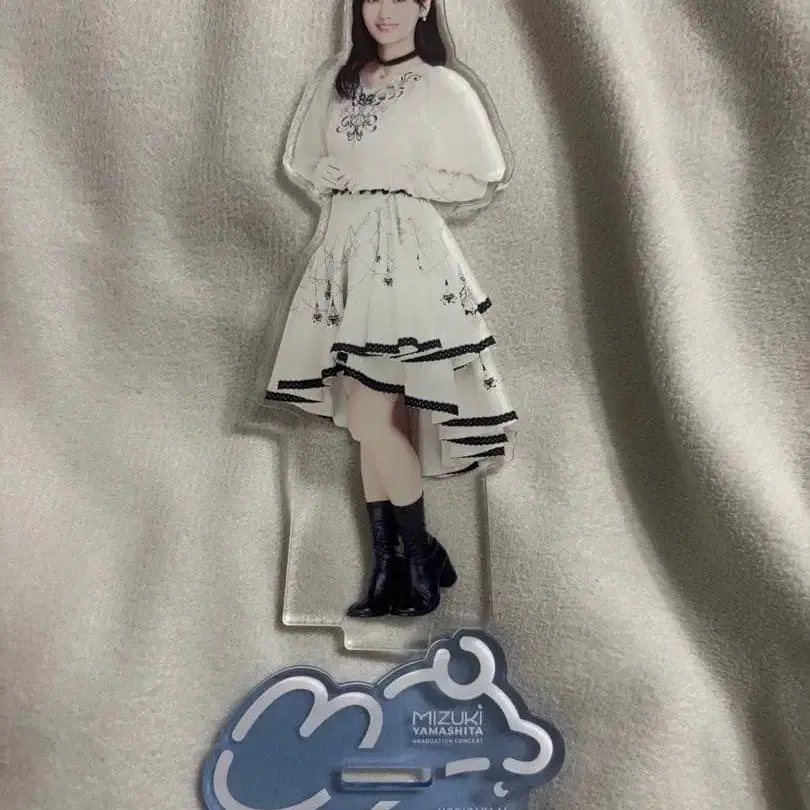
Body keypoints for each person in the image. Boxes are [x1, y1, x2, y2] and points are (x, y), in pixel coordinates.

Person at [265, 0, 517, 618]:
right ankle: (398, 564)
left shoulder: (440, 85)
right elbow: (306, 161)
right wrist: (332, 176)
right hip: (345, 248)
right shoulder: (339, 80)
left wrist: (411, 178)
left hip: (404, 254)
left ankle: (413, 559)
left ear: (424, 5)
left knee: (373, 417)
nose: (384, 10)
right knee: (370, 418)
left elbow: (483, 174)